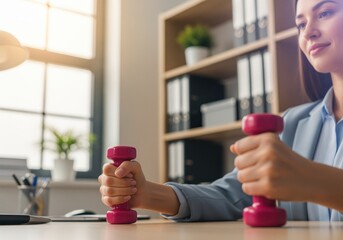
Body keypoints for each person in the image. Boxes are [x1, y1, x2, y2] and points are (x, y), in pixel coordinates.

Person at [98, 0, 343, 222]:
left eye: (325, 13)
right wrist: (147, 193)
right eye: (300, 24)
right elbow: (234, 194)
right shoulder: (293, 121)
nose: (308, 32)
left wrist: (310, 179)